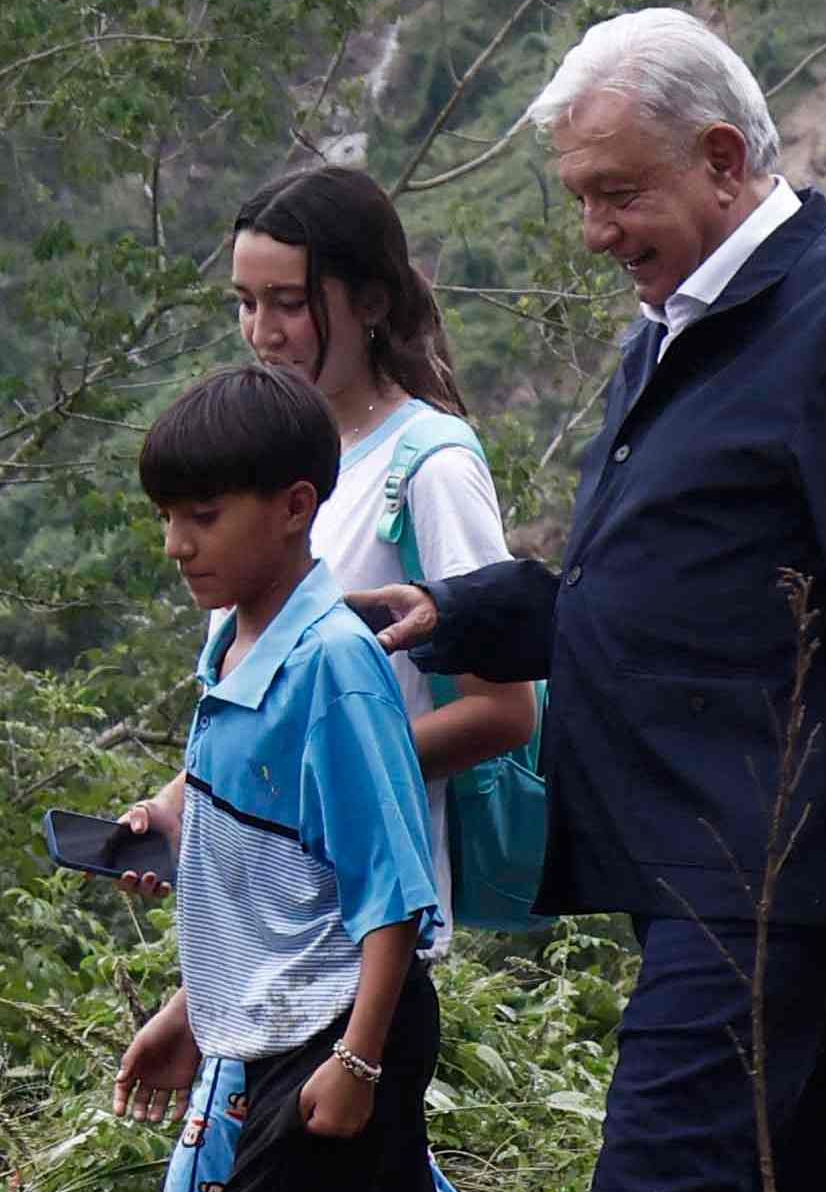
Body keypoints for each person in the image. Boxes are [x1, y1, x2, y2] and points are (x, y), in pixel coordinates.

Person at [346, 7, 826, 1192]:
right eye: (582, 199)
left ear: (719, 155)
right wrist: (462, 612)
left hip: (759, 862)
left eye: (618, 193)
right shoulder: (675, 335)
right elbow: (671, 595)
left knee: (662, 1171)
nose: (597, 231)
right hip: (703, 854)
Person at [120, 168, 535, 1192]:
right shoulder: (253, 467)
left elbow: (500, 705)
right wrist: (188, 805)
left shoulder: (424, 464)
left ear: (369, 298)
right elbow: (262, 722)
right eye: (246, 302)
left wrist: (320, 777)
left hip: (351, 942)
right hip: (273, 956)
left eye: (289, 301)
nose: (263, 329)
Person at [112, 364, 446, 1192]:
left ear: (296, 506)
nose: (175, 545)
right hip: (284, 1026)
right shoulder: (232, 646)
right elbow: (275, 892)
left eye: (203, 517)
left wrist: (358, 1063)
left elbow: (394, 889)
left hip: (342, 1027)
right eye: (165, 517)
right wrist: (193, 1014)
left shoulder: (333, 669)